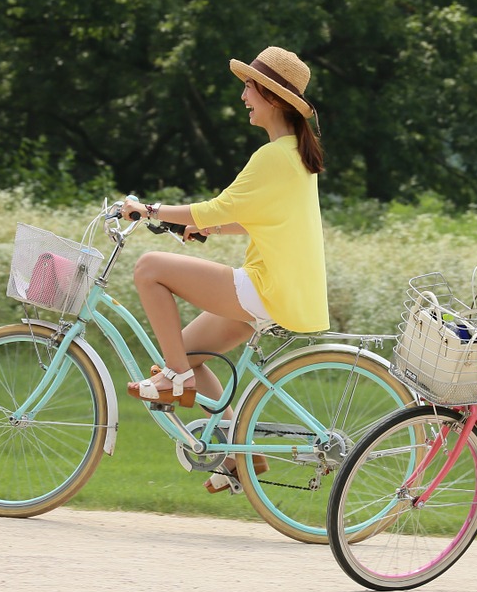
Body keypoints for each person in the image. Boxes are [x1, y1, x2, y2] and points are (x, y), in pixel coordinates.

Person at [120, 46, 328, 492]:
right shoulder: (291, 154)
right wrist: (207, 230)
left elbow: (215, 206)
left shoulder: (274, 156)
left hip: (265, 287)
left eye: (249, 87)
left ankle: (174, 382)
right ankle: (237, 456)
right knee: (186, 355)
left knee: (148, 267)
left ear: (272, 97)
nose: (244, 96)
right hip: (277, 289)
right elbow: (250, 217)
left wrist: (149, 210)